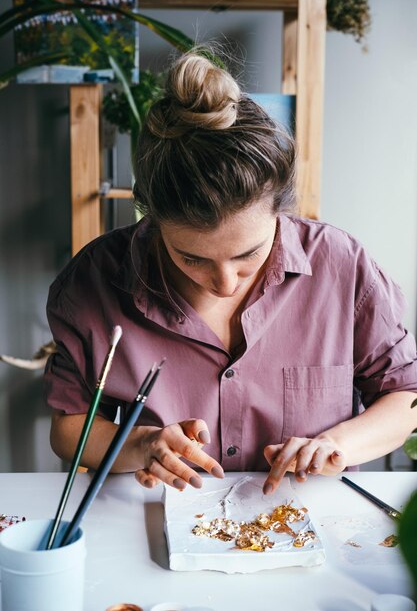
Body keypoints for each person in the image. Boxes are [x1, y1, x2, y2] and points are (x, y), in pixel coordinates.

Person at [45, 51, 417, 496]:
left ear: (281, 208)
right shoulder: (94, 280)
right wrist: (142, 444)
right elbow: (69, 427)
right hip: (157, 523)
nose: (224, 284)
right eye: (192, 258)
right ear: (152, 215)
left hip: (313, 528)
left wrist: (336, 443)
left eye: (248, 254)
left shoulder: (342, 266)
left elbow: (406, 399)